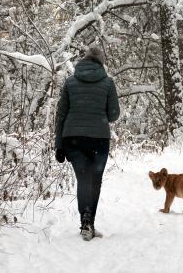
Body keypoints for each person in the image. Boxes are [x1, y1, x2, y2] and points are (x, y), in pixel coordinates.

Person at [54, 45, 120, 241]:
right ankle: (89, 222)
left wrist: (58, 144)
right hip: (99, 139)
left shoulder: (70, 82)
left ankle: (85, 222)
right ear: (101, 63)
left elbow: (61, 114)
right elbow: (114, 115)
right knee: (95, 180)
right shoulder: (108, 83)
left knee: (83, 179)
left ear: (84, 61)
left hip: (73, 139)